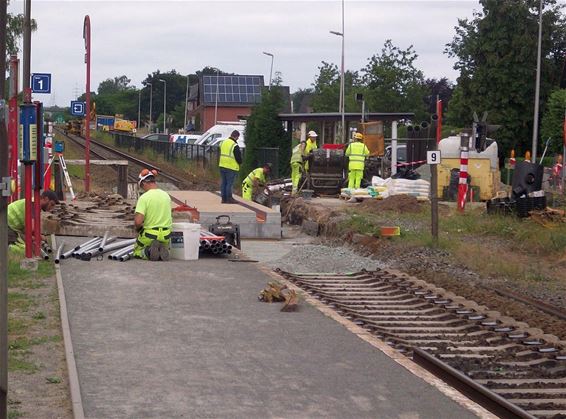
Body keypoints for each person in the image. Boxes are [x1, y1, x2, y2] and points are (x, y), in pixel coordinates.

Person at [133, 169, 172, 261]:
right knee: (162, 244)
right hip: (166, 235)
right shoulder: (166, 196)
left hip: (150, 235)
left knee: (136, 251)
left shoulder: (144, 198)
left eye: (142, 186)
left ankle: (149, 251)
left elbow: (138, 222)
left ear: (144, 183)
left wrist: (138, 229)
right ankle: (162, 250)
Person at [219, 130, 243, 204]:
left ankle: (223, 199)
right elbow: (238, 158)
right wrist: (240, 163)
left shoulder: (223, 142)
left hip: (222, 165)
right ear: (236, 137)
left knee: (224, 183)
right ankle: (229, 198)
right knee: (229, 183)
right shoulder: (234, 145)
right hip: (231, 167)